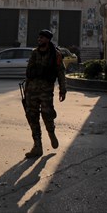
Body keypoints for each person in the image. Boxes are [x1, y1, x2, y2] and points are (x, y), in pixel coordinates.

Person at [22, 29, 67, 159]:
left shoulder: (56, 54)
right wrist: (26, 90)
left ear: (48, 39)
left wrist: (63, 90)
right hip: (32, 91)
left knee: (47, 114)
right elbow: (28, 72)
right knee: (32, 116)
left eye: (42, 38)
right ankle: (37, 146)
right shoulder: (34, 53)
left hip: (46, 91)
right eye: (39, 37)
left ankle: (51, 133)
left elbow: (61, 73)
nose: (39, 40)